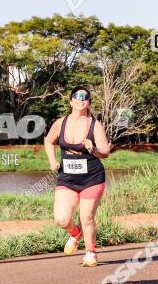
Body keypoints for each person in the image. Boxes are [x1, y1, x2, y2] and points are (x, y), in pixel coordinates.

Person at [43, 86, 110, 267]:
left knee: (86, 217)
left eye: (85, 98)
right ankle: (76, 234)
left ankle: (90, 252)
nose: (81, 100)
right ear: (71, 101)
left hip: (92, 178)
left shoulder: (95, 125)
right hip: (68, 178)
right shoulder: (60, 123)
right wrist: (52, 160)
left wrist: (93, 149)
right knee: (61, 218)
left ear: (89, 103)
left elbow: (105, 151)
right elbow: (48, 141)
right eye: (77, 97)